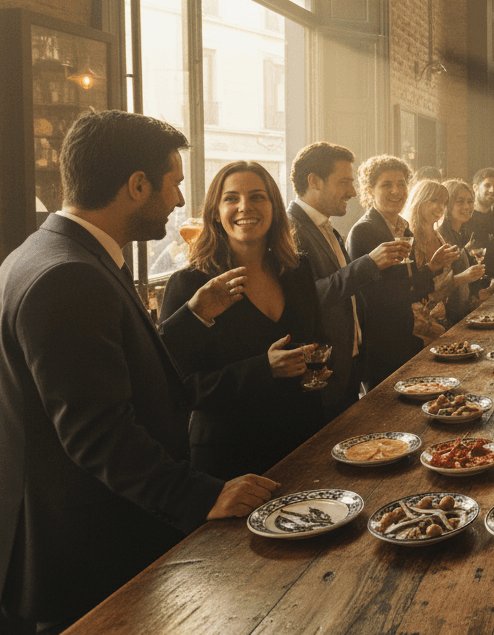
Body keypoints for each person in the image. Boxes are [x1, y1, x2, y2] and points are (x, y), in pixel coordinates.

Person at [0, 111, 277, 630]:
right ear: (136, 184)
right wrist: (204, 495)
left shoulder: (51, 254)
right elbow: (97, 433)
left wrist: (193, 316)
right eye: (173, 184)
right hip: (84, 552)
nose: (177, 201)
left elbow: (112, 367)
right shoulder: (68, 277)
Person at [158, 161, 328, 480]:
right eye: (231, 198)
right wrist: (265, 369)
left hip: (303, 440)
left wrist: (316, 364)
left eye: (257, 196)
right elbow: (180, 388)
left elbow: (318, 336)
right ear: (215, 212)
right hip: (231, 459)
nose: (244, 207)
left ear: (275, 208)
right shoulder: (190, 284)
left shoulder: (298, 269)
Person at [287, 142, 408, 418]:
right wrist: (370, 263)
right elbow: (310, 296)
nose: (353, 192)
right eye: (344, 182)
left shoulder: (327, 227)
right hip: (323, 374)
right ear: (314, 181)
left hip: (350, 366)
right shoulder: (292, 230)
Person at [345, 156, 458, 385]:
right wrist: (428, 271)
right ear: (369, 190)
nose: (396, 191)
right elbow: (379, 298)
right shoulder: (364, 231)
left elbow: (412, 287)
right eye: (387, 184)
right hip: (381, 345)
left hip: (406, 337)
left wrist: (432, 268)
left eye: (401, 183)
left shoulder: (404, 228)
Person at [404, 179, 482, 343]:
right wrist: (463, 278)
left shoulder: (436, 235)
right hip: (418, 325)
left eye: (443, 203)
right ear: (419, 201)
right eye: (434, 201)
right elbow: (410, 288)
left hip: (441, 317)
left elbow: (442, 283)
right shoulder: (409, 237)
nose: (440, 207)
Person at [445, 168, 494, 298]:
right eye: (487, 185)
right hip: (467, 291)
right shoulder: (463, 217)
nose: (492, 190)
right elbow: (457, 262)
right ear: (475, 187)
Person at [437, 179, 491, 323]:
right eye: (460, 202)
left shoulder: (462, 233)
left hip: (463, 311)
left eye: (470, 201)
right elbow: (436, 285)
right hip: (446, 318)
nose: (467, 206)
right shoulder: (440, 236)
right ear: (446, 204)